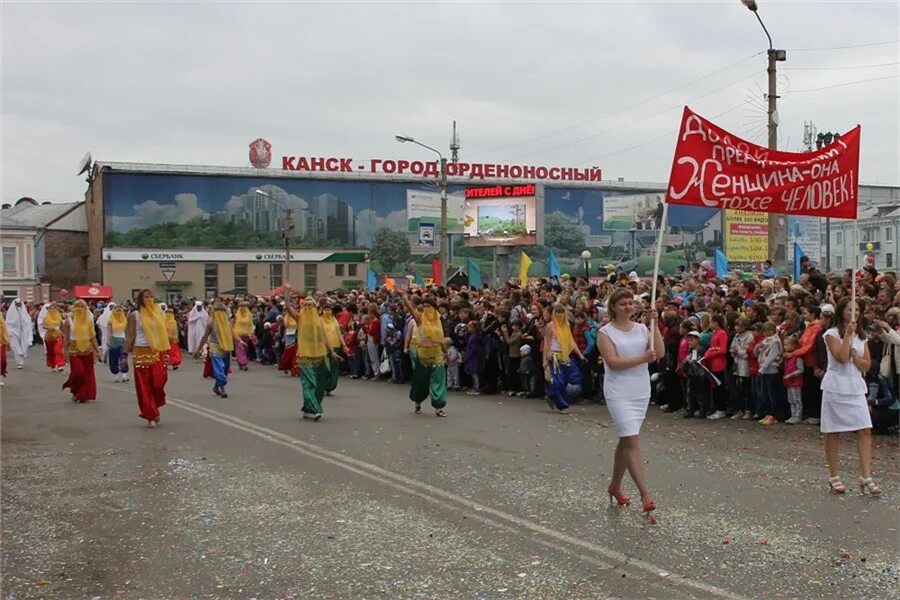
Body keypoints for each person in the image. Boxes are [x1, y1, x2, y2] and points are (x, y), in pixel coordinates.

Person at [596, 288, 664, 515]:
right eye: (623, 303)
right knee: (631, 440)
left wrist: (655, 325)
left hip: (640, 390)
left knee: (627, 439)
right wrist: (642, 359)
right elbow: (614, 362)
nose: (628, 306)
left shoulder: (643, 329)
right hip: (618, 391)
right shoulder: (605, 333)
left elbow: (659, 352)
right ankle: (646, 494)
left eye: (630, 303)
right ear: (613, 307)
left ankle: (615, 485)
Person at [821, 297, 880, 496]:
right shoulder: (830, 334)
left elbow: (867, 365)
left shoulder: (863, 338)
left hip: (855, 386)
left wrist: (857, 357)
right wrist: (847, 336)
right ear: (841, 311)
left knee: (865, 429)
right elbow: (841, 357)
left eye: (856, 309)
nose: (853, 312)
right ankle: (834, 475)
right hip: (836, 386)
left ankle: (866, 475)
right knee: (833, 431)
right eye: (848, 309)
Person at [282, 288, 337, 420]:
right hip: (305, 356)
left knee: (319, 386)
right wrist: (288, 292)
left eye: (311, 305)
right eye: (306, 305)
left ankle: (308, 408)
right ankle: (314, 410)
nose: (308, 307)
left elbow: (324, 337)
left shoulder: (319, 321)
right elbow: (288, 306)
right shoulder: (299, 318)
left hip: (319, 357)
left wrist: (333, 351)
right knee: (309, 383)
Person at [124, 289, 170, 428]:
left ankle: (154, 406)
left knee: (158, 382)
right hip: (140, 351)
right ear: (140, 299)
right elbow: (130, 336)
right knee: (144, 386)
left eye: (151, 296)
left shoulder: (158, 313)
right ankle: (150, 413)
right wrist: (124, 355)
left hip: (156, 352)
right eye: (146, 297)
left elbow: (162, 335)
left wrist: (166, 352)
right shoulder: (135, 315)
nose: (149, 299)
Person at [401, 289, 448, 416]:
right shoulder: (419, 319)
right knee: (420, 382)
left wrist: (446, 353)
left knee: (438, 383)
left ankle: (439, 408)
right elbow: (411, 309)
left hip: (437, 355)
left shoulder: (439, 321)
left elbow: (441, 339)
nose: (427, 309)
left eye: (429, 306)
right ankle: (417, 403)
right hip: (422, 356)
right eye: (425, 306)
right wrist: (405, 298)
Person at [543, 303, 586, 413]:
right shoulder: (550, 326)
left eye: (561, 312)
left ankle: (550, 394)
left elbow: (570, 341)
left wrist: (580, 354)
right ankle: (563, 405)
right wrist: (545, 360)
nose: (559, 315)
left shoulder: (566, 324)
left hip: (565, 355)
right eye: (557, 312)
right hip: (554, 355)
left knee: (565, 380)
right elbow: (547, 343)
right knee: (559, 380)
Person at [195, 302, 238, 398]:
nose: (220, 313)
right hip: (215, 346)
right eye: (218, 311)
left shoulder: (227, 323)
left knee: (225, 369)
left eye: (222, 311)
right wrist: (198, 350)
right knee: (220, 368)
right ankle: (223, 390)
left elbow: (233, 334)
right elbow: (205, 337)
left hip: (226, 347)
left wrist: (239, 341)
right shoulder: (211, 322)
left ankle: (216, 387)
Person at [61, 300, 100, 403]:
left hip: (87, 350)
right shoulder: (68, 322)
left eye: (82, 307)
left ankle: (81, 394)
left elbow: (93, 337)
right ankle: (75, 389)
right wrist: (64, 352)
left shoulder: (89, 321)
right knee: (78, 372)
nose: (80, 309)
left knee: (87, 374)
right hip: (74, 350)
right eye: (78, 307)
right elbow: (66, 339)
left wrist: (98, 350)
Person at [320, 303, 346, 395]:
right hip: (324, 348)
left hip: (336, 347)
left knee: (334, 369)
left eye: (329, 310)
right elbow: (322, 335)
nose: (327, 312)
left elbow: (339, 333)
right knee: (325, 368)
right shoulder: (320, 320)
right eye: (325, 310)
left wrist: (344, 344)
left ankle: (330, 388)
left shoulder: (334, 320)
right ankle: (323, 386)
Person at [6, 298, 33, 369]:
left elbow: (27, 320)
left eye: (19, 303)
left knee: (22, 345)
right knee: (16, 347)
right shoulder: (11, 312)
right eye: (17, 304)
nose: (18, 305)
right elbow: (9, 322)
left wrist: (23, 321)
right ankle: (19, 362)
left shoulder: (23, 311)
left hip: (22, 331)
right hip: (13, 331)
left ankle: (21, 360)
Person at [106, 305, 129, 382]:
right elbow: (109, 331)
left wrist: (127, 340)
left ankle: (124, 375)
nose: (118, 312)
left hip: (122, 340)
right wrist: (108, 340)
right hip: (113, 340)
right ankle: (116, 375)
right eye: (117, 310)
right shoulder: (110, 320)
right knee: (114, 359)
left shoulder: (124, 320)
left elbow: (126, 331)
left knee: (123, 357)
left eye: (120, 310)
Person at [40, 304, 66, 372]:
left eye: (53, 308)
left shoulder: (59, 317)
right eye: (50, 308)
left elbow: (62, 326)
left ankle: (60, 365)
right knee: (51, 352)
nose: (52, 310)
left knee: (58, 350)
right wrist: (50, 328)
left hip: (58, 335)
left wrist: (64, 334)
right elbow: (43, 326)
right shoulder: (46, 317)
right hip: (49, 337)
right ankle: (53, 365)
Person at [233, 302, 255, 371]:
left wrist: (251, 333)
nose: (242, 308)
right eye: (241, 306)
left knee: (245, 349)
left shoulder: (249, 315)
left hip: (246, 335)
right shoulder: (236, 315)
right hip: (238, 335)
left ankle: (241, 362)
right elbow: (232, 324)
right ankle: (243, 363)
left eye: (244, 306)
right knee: (240, 349)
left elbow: (251, 324)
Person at [0, 310, 9, 386]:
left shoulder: (1, 316)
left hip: (1, 342)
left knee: (3, 361)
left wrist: (7, 342)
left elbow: (4, 329)